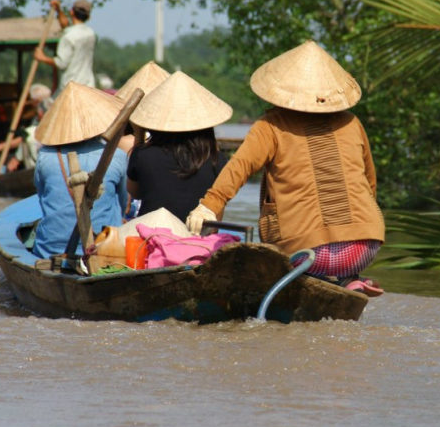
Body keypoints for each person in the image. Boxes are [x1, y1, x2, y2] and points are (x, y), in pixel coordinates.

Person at [185, 40, 385, 295]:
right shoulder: (352, 122)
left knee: (275, 261)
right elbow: (370, 183)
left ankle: (321, 278)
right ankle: (348, 279)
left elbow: (240, 167)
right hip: (365, 245)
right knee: (335, 256)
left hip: (311, 254)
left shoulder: (271, 126)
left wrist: (209, 205)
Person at [31, 81, 129, 259]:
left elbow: (42, 195)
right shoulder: (117, 156)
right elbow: (123, 204)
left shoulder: (45, 156)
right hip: (105, 250)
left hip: (50, 251)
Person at [127, 71, 232, 221]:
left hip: (151, 235)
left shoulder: (143, 154)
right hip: (197, 237)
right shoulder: (217, 160)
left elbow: (135, 193)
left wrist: (139, 135)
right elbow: (218, 213)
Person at [0, 83, 51, 172]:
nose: (29, 102)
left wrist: (2, 146)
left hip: (42, 155)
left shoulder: (47, 112)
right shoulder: (37, 115)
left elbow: (26, 136)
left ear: (36, 100)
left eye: (31, 99)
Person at [33, 0, 96, 90]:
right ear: (89, 17)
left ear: (71, 12)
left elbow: (61, 63)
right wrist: (59, 10)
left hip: (71, 88)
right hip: (88, 86)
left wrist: (42, 57)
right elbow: (66, 25)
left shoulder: (68, 37)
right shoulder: (91, 34)